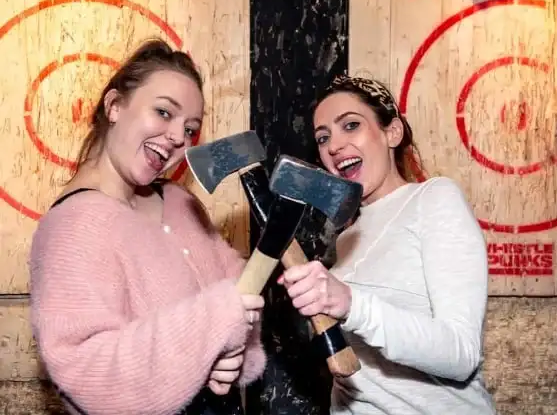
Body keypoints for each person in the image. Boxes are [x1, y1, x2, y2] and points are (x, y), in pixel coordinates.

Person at [29, 38, 266, 415]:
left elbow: (238, 295)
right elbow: (89, 372)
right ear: (115, 106)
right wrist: (214, 324)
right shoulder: (72, 227)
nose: (178, 138)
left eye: (190, 129)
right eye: (164, 112)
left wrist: (232, 357)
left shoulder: (180, 202)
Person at [278, 74, 497, 415]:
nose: (334, 146)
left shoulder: (435, 198)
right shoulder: (347, 235)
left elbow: (460, 355)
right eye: (323, 138)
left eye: (351, 125)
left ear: (391, 132)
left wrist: (351, 304)